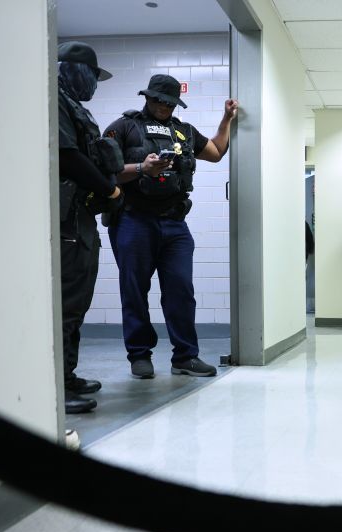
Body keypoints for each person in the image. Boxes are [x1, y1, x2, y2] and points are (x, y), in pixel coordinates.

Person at [103, 74, 238, 379]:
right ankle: (139, 356)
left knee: (181, 290)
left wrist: (226, 120)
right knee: (134, 291)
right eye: (158, 100)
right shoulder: (123, 127)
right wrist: (141, 168)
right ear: (147, 97)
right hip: (133, 220)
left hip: (175, 224)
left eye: (170, 102)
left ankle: (185, 357)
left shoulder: (184, 131)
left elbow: (216, 152)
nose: (164, 106)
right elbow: (103, 173)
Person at [57, 41, 124, 414]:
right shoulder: (55, 102)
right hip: (67, 218)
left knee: (78, 301)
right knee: (67, 303)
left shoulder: (74, 106)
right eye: (93, 78)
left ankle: (67, 376)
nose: (95, 86)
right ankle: (54, 386)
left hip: (81, 218)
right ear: (73, 70)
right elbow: (68, 157)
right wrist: (109, 187)